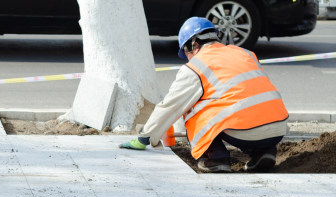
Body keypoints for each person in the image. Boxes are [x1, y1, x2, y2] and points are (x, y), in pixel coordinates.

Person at [121, 17, 288, 173]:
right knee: (237, 107)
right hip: (278, 127)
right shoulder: (245, 53)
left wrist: (145, 137)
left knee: (191, 108)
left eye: (185, 52)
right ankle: (265, 152)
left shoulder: (196, 66)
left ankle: (215, 158)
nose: (187, 58)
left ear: (193, 44)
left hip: (245, 131)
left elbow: (171, 106)